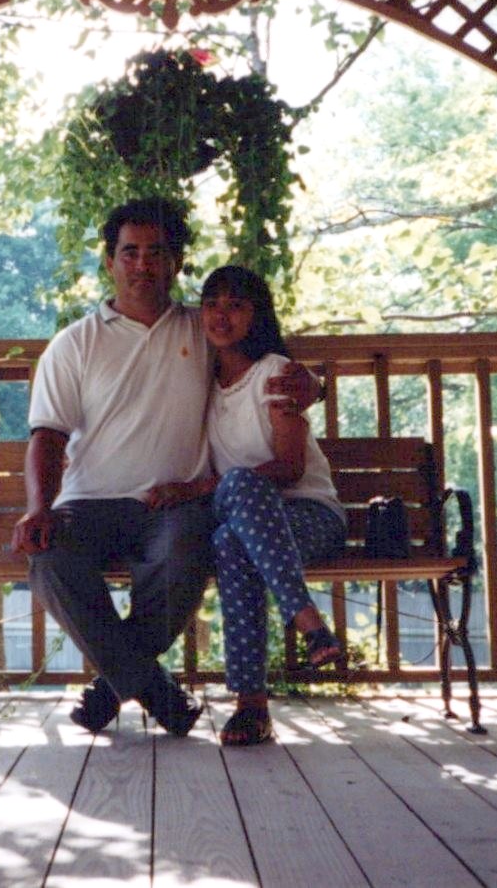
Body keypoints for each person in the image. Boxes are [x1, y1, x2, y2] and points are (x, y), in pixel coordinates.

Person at [13, 198, 318, 736]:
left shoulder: (203, 330)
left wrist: (315, 384)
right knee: (49, 559)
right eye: (129, 252)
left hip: (174, 505)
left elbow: (266, 362)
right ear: (110, 261)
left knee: (185, 558)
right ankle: (153, 688)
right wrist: (39, 507)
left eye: (156, 253)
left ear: (176, 263)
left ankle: (116, 684)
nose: (142, 264)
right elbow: (47, 435)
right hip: (88, 504)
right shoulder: (74, 343)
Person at [148, 265, 347, 747]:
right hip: (245, 524)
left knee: (235, 505)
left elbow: (291, 468)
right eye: (212, 304)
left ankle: (284, 645)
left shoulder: (275, 373)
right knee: (229, 539)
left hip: (310, 516)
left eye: (236, 305)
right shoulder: (201, 382)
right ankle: (259, 697)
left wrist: (198, 489)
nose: (221, 315)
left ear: (256, 315)